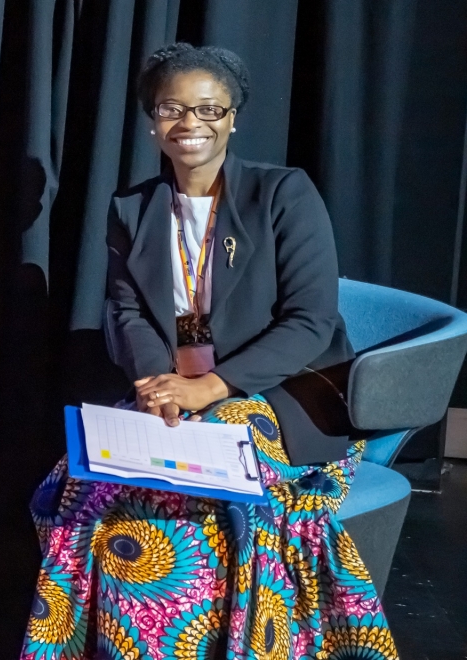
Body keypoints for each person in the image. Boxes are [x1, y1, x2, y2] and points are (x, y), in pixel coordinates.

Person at [22, 44, 395, 659]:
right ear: (152, 119)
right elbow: (126, 312)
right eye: (173, 108)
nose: (190, 123)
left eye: (208, 109)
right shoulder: (132, 209)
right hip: (175, 388)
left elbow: (311, 320)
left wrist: (212, 387)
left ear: (232, 117)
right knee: (87, 484)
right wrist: (157, 383)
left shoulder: (282, 194)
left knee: (188, 497)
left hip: (280, 391)